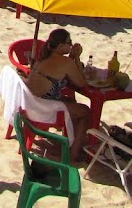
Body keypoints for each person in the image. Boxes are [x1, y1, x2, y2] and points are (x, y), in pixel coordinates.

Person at [27, 28, 91, 164]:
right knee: (85, 112)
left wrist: (72, 58)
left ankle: (70, 143)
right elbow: (81, 82)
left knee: (70, 101)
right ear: (61, 46)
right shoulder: (65, 62)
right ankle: (73, 154)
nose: (71, 44)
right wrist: (77, 58)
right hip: (44, 108)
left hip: (32, 104)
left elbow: (62, 69)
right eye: (69, 42)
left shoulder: (44, 56)